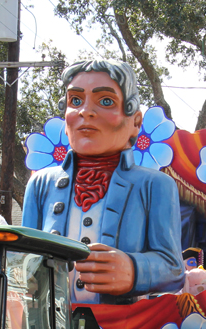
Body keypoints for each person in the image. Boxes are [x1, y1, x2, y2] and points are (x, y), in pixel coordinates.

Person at [21, 59, 184, 304]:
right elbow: (22, 258)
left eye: (106, 101)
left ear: (136, 122)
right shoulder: (41, 185)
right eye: (75, 101)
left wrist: (133, 270)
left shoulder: (155, 185)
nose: (85, 111)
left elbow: (173, 267)